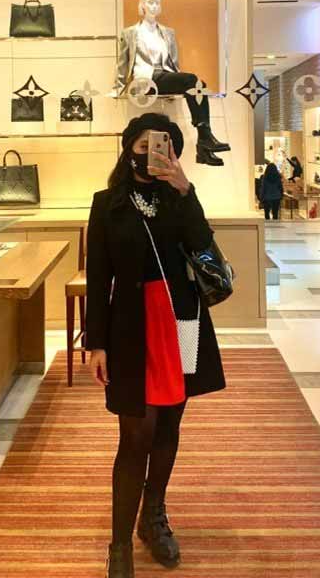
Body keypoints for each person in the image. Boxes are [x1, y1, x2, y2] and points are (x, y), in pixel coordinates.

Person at [86, 113, 226, 578]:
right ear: (129, 148)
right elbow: (98, 276)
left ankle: (154, 517)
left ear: (174, 153)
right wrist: (96, 343)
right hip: (130, 327)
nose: (150, 153)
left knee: (168, 426)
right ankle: (119, 545)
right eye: (142, 145)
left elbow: (202, 245)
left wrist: (186, 190)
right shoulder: (106, 204)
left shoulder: (177, 199)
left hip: (181, 320)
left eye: (160, 145)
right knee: (135, 435)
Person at [116, 0, 230, 167]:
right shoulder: (130, 33)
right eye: (150, 2)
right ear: (142, 5)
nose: (154, 6)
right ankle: (204, 140)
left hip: (164, 75)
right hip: (146, 79)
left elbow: (173, 62)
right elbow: (123, 63)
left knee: (198, 84)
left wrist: (179, 84)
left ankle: (204, 143)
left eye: (157, 2)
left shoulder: (167, 32)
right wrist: (118, 88)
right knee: (192, 81)